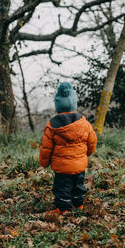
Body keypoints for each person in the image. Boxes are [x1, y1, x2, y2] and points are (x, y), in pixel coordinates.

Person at [39, 82, 97, 215]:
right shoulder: (84, 123)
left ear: (58, 105)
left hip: (62, 167)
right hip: (79, 164)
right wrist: (87, 153)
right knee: (78, 185)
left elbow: (46, 147)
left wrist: (44, 163)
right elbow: (92, 141)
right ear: (74, 103)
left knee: (62, 187)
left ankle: (63, 207)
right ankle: (78, 204)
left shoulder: (52, 126)